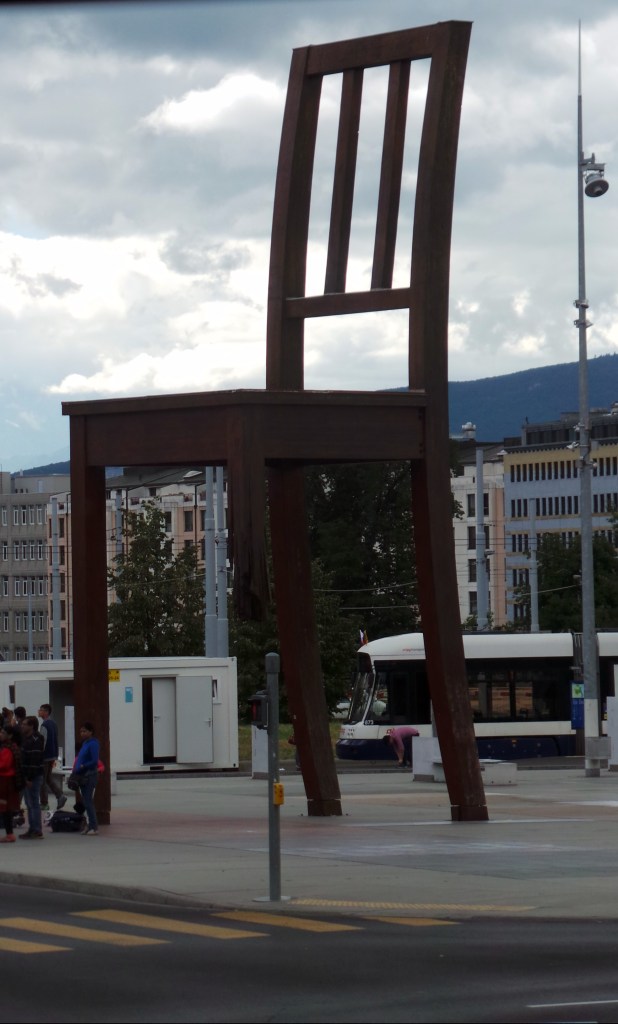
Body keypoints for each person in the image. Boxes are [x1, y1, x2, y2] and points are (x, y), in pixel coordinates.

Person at [19, 716, 45, 839]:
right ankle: (32, 828)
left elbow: (34, 760)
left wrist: (29, 778)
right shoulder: (26, 739)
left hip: (33, 776)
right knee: (29, 803)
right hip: (26, 776)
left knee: (34, 803)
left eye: (25, 724)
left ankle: (37, 829)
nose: (22, 726)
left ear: (31, 726)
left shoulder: (35, 740)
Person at [38, 704, 67, 812]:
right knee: (48, 778)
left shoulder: (44, 725)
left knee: (42, 781)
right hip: (52, 755)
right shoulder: (54, 723)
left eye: (40, 710)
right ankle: (60, 796)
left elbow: (42, 742)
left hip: (45, 756)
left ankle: (44, 803)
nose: (39, 712)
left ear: (46, 712)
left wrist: (39, 754)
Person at [73, 722, 100, 836]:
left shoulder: (93, 744)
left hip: (89, 774)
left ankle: (94, 826)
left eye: (85, 731)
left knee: (88, 801)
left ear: (91, 732)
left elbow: (94, 760)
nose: (82, 733)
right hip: (82, 775)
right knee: (85, 801)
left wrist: (84, 766)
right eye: (81, 731)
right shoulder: (85, 743)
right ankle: (89, 825)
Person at [0, 726, 22, 843]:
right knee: (6, 808)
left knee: (5, 808)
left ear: (10, 735)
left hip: (5, 780)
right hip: (8, 780)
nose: (1, 734)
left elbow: (4, 765)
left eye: (3, 732)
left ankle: (9, 834)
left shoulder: (7, 749)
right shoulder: (12, 747)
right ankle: (9, 833)